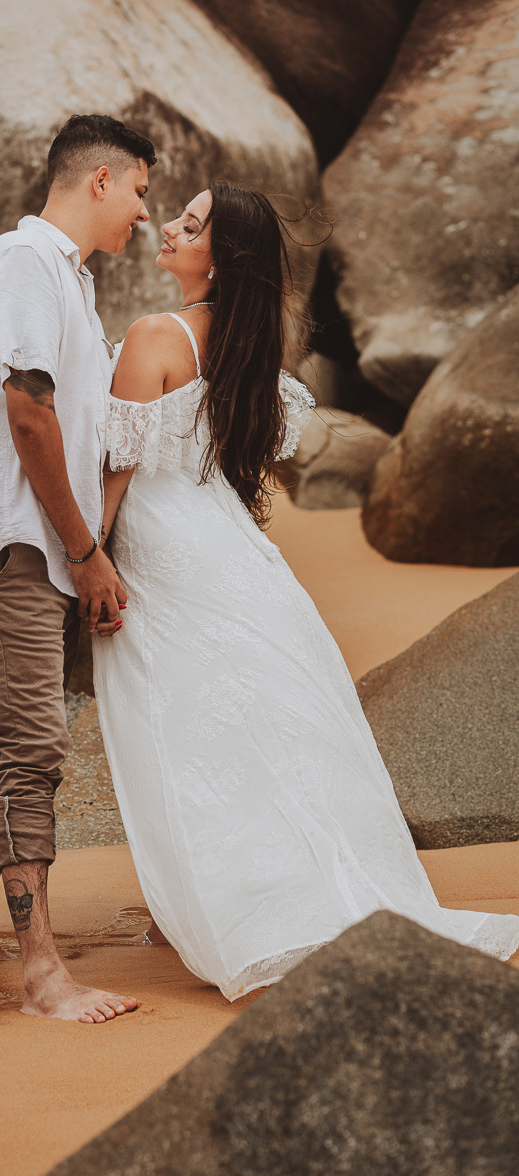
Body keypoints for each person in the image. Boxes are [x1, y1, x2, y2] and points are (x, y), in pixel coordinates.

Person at [92, 182, 519, 999]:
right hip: (234, 554)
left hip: (164, 552)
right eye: (177, 214)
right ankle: (262, 895)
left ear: (225, 254)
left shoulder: (155, 335)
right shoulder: (251, 345)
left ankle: (228, 908)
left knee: (183, 730)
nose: (172, 228)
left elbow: (115, 472)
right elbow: (235, 469)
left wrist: (86, 559)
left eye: (191, 223)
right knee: (258, 726)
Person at [0, 114, 156, 1023]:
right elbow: (30, 413)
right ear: (99, 179)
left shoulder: (63, 278)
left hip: (18, 544)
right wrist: (83, 550)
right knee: (33, 749)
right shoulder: (24, 264)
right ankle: (43, 976)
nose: (145, 213)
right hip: (17, 546)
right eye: (140, 191)